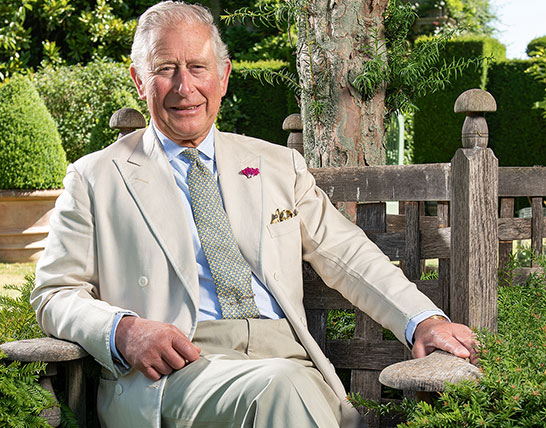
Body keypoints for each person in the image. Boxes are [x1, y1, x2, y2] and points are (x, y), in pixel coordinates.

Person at [31, 2, 477, 427]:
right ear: (139, 80)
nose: (185, 87)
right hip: (176, 372)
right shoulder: (95, 177)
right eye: (166, 69)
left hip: (291, 360)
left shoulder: (275, 166)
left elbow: (347, 253)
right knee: (284, 392)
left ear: (223, 76)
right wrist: (123, 331)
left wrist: (423, 320)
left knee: (294, 391)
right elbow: (54, 294)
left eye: (198, 68)